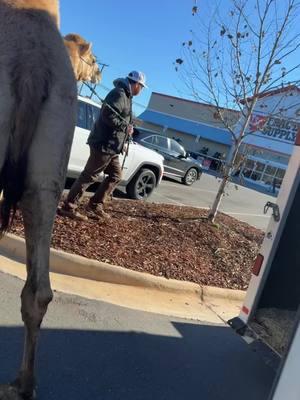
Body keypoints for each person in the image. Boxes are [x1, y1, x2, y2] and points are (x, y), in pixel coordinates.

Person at [60, 70, 147, 220]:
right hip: (104, 144)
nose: (142, 90)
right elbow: (108, 115)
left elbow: (120, 118)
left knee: (115, 176)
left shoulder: (127, 96)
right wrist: (125, 128)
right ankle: (68, 206)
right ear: (136, 84)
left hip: (113, 146)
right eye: (142, 87)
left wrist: (123, 139)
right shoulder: (120, 94)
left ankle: (95, 204)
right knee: (89, 175)